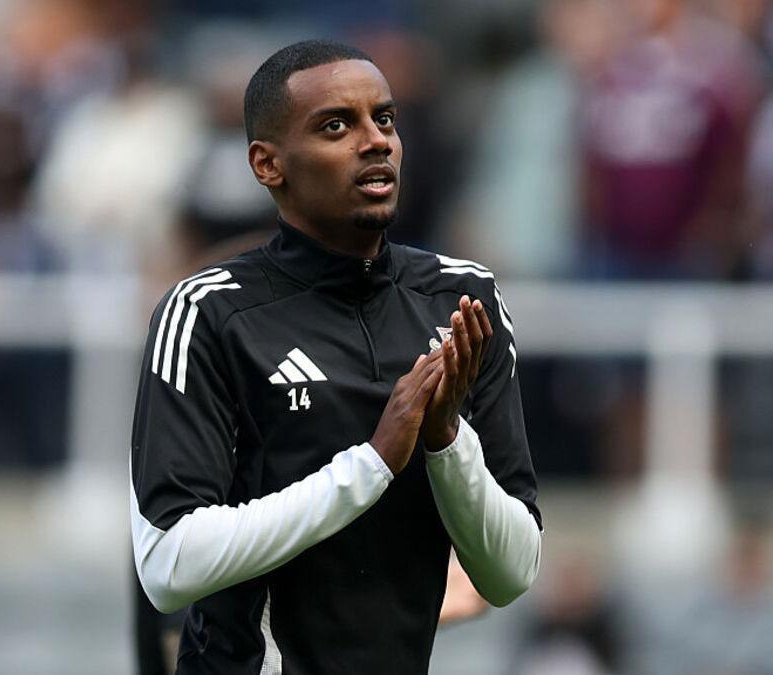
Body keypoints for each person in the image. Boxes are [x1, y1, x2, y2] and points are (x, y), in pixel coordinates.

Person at [129, 40, 541, 674]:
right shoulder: (208, 313)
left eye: (385, 118)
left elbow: (511, 573)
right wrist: (372, 464)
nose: (375, 141)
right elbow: (168, 566)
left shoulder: (463, 301)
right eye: (336, 125)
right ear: (268, 165)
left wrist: (445, 442)